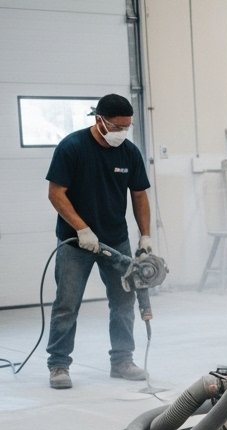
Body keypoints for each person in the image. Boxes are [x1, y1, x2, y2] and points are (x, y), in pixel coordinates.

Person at [44, 94, 154, 389]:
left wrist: (145, 235)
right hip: (74, 242)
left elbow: (140, 194)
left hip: (115, 240)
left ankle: (122, 360)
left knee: (123, 300)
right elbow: (56, 193)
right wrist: (81, 228)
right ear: (99, 120)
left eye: (126, 127)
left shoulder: (129, 153)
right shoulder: (73, 147)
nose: (122, 133)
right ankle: (58, 365)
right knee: (67, 302)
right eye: (117, 127)